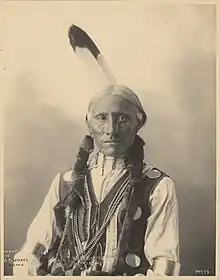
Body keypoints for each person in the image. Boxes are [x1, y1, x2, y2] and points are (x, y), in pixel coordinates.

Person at [13, 85, 180, 276]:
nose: (111, 129)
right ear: (88, 123)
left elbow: (165, 267)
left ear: (139, 123)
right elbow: (28, 254)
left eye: (122, 118)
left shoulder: (157, 186)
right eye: (101, 118)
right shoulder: (64, 183)